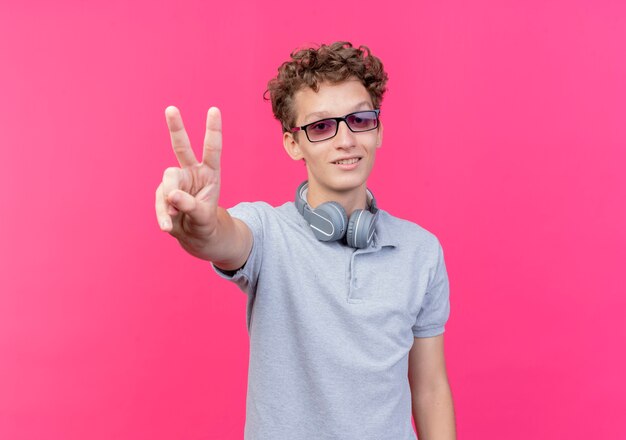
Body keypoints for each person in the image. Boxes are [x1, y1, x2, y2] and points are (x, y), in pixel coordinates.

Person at [155, 41, 456, 440]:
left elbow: (430, 388)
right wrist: (203, 227)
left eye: (360, 120)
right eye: (321, 126)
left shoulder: (422, 252)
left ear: (378, 130)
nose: (346, 140)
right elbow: (224, 238)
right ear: (293, 143)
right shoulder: (266, 231)